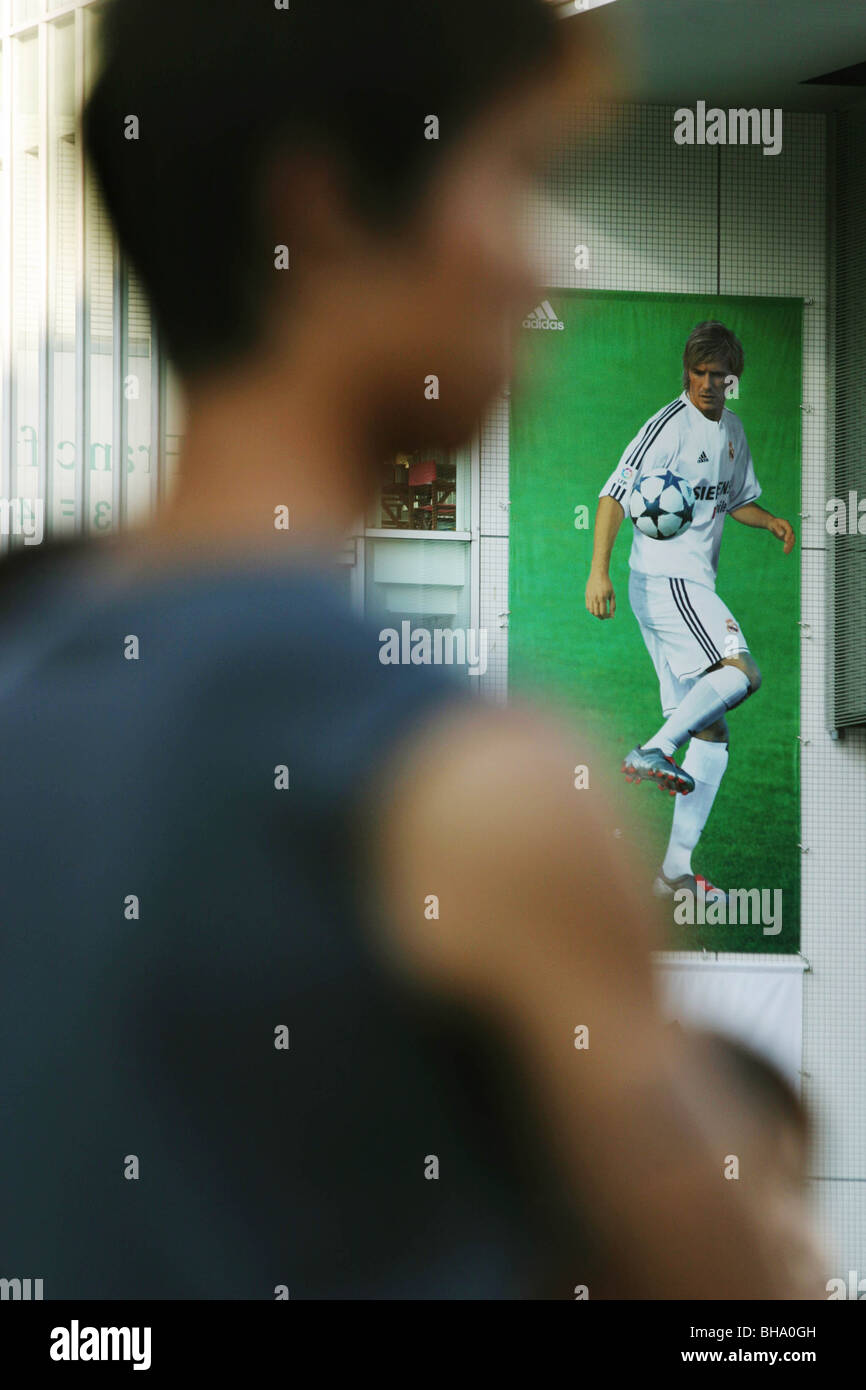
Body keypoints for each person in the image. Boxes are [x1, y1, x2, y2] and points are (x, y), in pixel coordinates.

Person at [0, 0, 799, 1299]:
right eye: (516, 175)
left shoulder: (28, 682)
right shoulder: (464, 777)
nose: (539, 267)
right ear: (318, 209)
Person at [585, 322, 796, 902]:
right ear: (686, 373)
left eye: (716, 376)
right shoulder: (664, 428)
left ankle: (673, 874)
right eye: (697, 373)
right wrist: (598, 569)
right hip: (666, 580)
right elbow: (612, 495)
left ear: (732, 379)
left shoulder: (733, 431)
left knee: (713, 733)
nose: (706, 384)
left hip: (686, 584)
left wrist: (770, 518)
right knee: (742, 672)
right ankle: (655, 749)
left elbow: (735, 501)